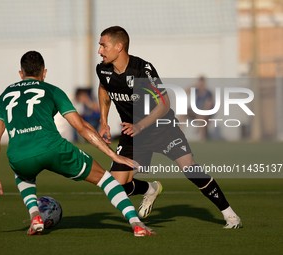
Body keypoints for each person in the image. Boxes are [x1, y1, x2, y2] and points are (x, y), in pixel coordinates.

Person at [0, 51, 155, 236]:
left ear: (21, 74)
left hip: (19, 154)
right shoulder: (52, 90)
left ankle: (35, 215)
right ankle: (136, 223)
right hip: (54, 149)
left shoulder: (5, 95)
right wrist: (112, 154)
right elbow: (82, 127)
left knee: (22, 174)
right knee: (105, 180)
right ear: (44, 73)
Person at [96, 26, 242, 228]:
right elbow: (104, 87)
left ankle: (230, 215)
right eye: (100, 46)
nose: (100, 50)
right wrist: (104, 121)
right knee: (116, 185)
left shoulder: (141, 70)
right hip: (133, 134)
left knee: (190, 168)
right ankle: (150, 189)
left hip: (161, 129)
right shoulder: (103, 69)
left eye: (103, 45)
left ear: (119, 46)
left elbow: (164, 103)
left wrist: (141, 125)